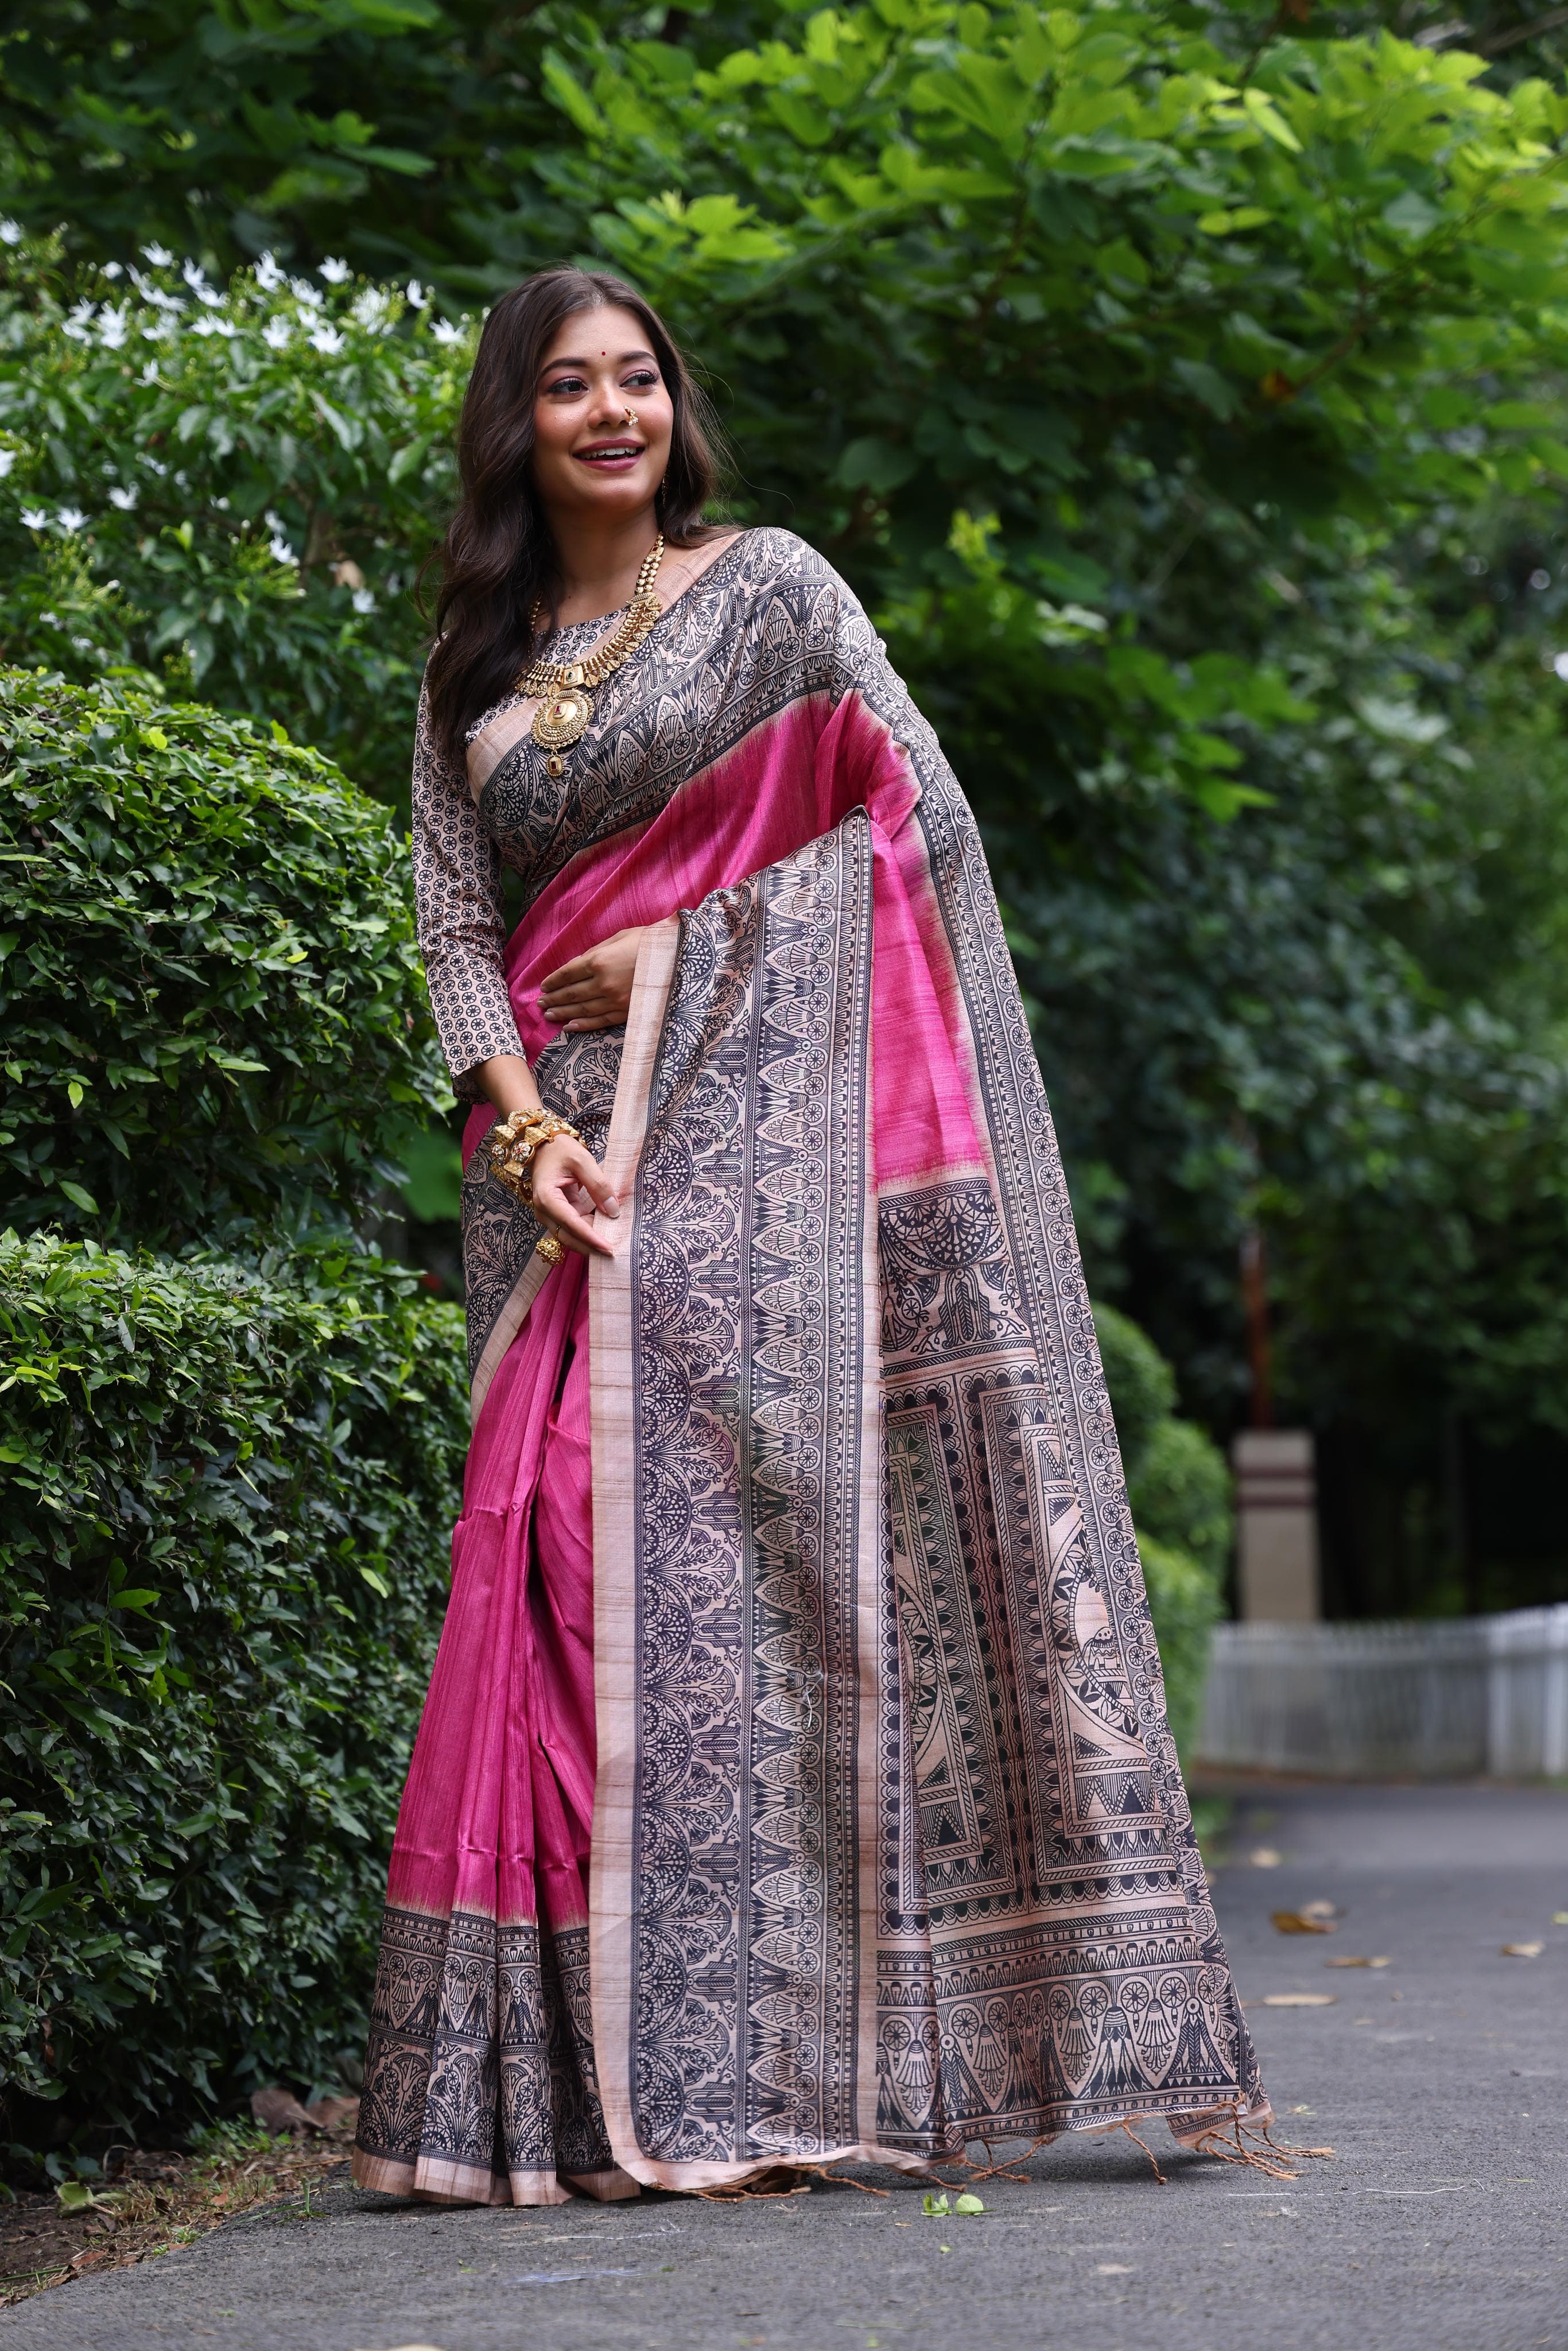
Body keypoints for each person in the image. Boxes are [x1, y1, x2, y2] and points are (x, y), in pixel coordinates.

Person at [352, 265, 1266, 2206]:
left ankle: (769, 2051)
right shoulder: (468, 665)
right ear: (513, 424)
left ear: (676, 409)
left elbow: (916, 820)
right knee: (551, 1577)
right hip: (562, 1182)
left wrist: (684, 948)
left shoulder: (770, 586)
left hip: (764, 1152)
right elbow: (447, 930)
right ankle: (552, 2092)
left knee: (767, 1587)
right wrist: (519, 1129)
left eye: (641, 381)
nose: (614, 414)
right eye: (570, 390)